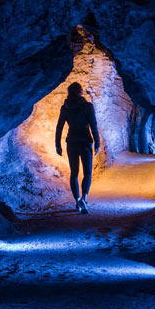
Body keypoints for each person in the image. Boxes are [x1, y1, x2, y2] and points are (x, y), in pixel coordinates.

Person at [55, 82, 100, 214]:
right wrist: (97, 142)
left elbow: (59, 127)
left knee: (74, 173)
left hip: (71, 143)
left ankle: (77, 201)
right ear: (80, 92)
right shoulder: (87, 106)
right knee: (87, 172)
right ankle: (84, 198)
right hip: (85, 142)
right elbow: (93, 125)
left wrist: (57, 144)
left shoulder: (65, 108)